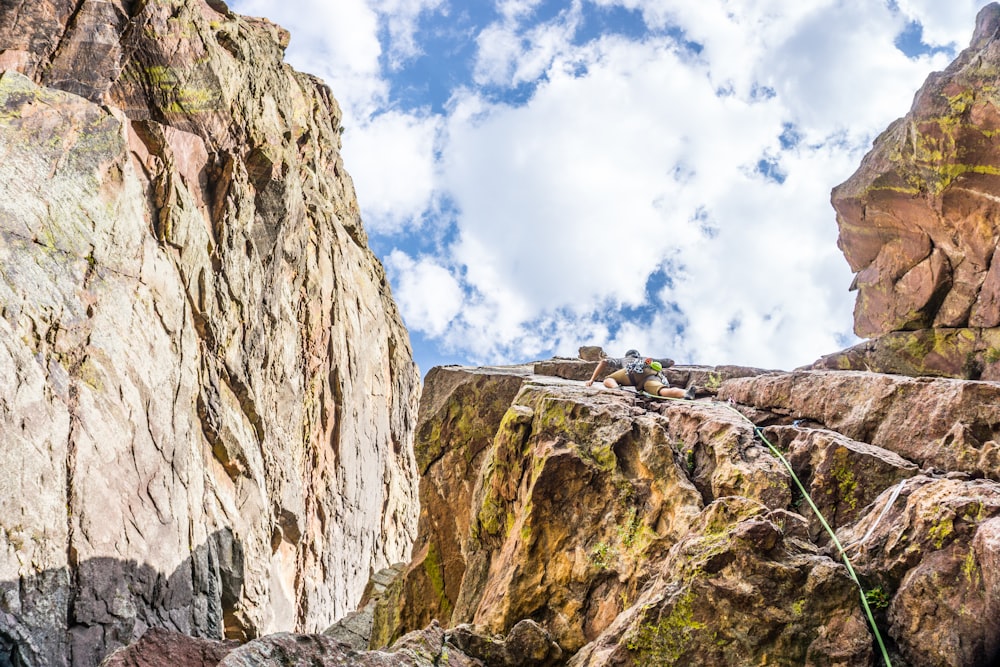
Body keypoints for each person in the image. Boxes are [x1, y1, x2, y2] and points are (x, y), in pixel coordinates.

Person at [585, 349, 695, 400]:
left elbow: (604, 362)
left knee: (608, 379)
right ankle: (685, 393)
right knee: (661, 390)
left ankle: (616, 388)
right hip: (650, 375)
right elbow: (670, 362)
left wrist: (591, 380)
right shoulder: (646, 359)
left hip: (631, 373)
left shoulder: (624, 360)